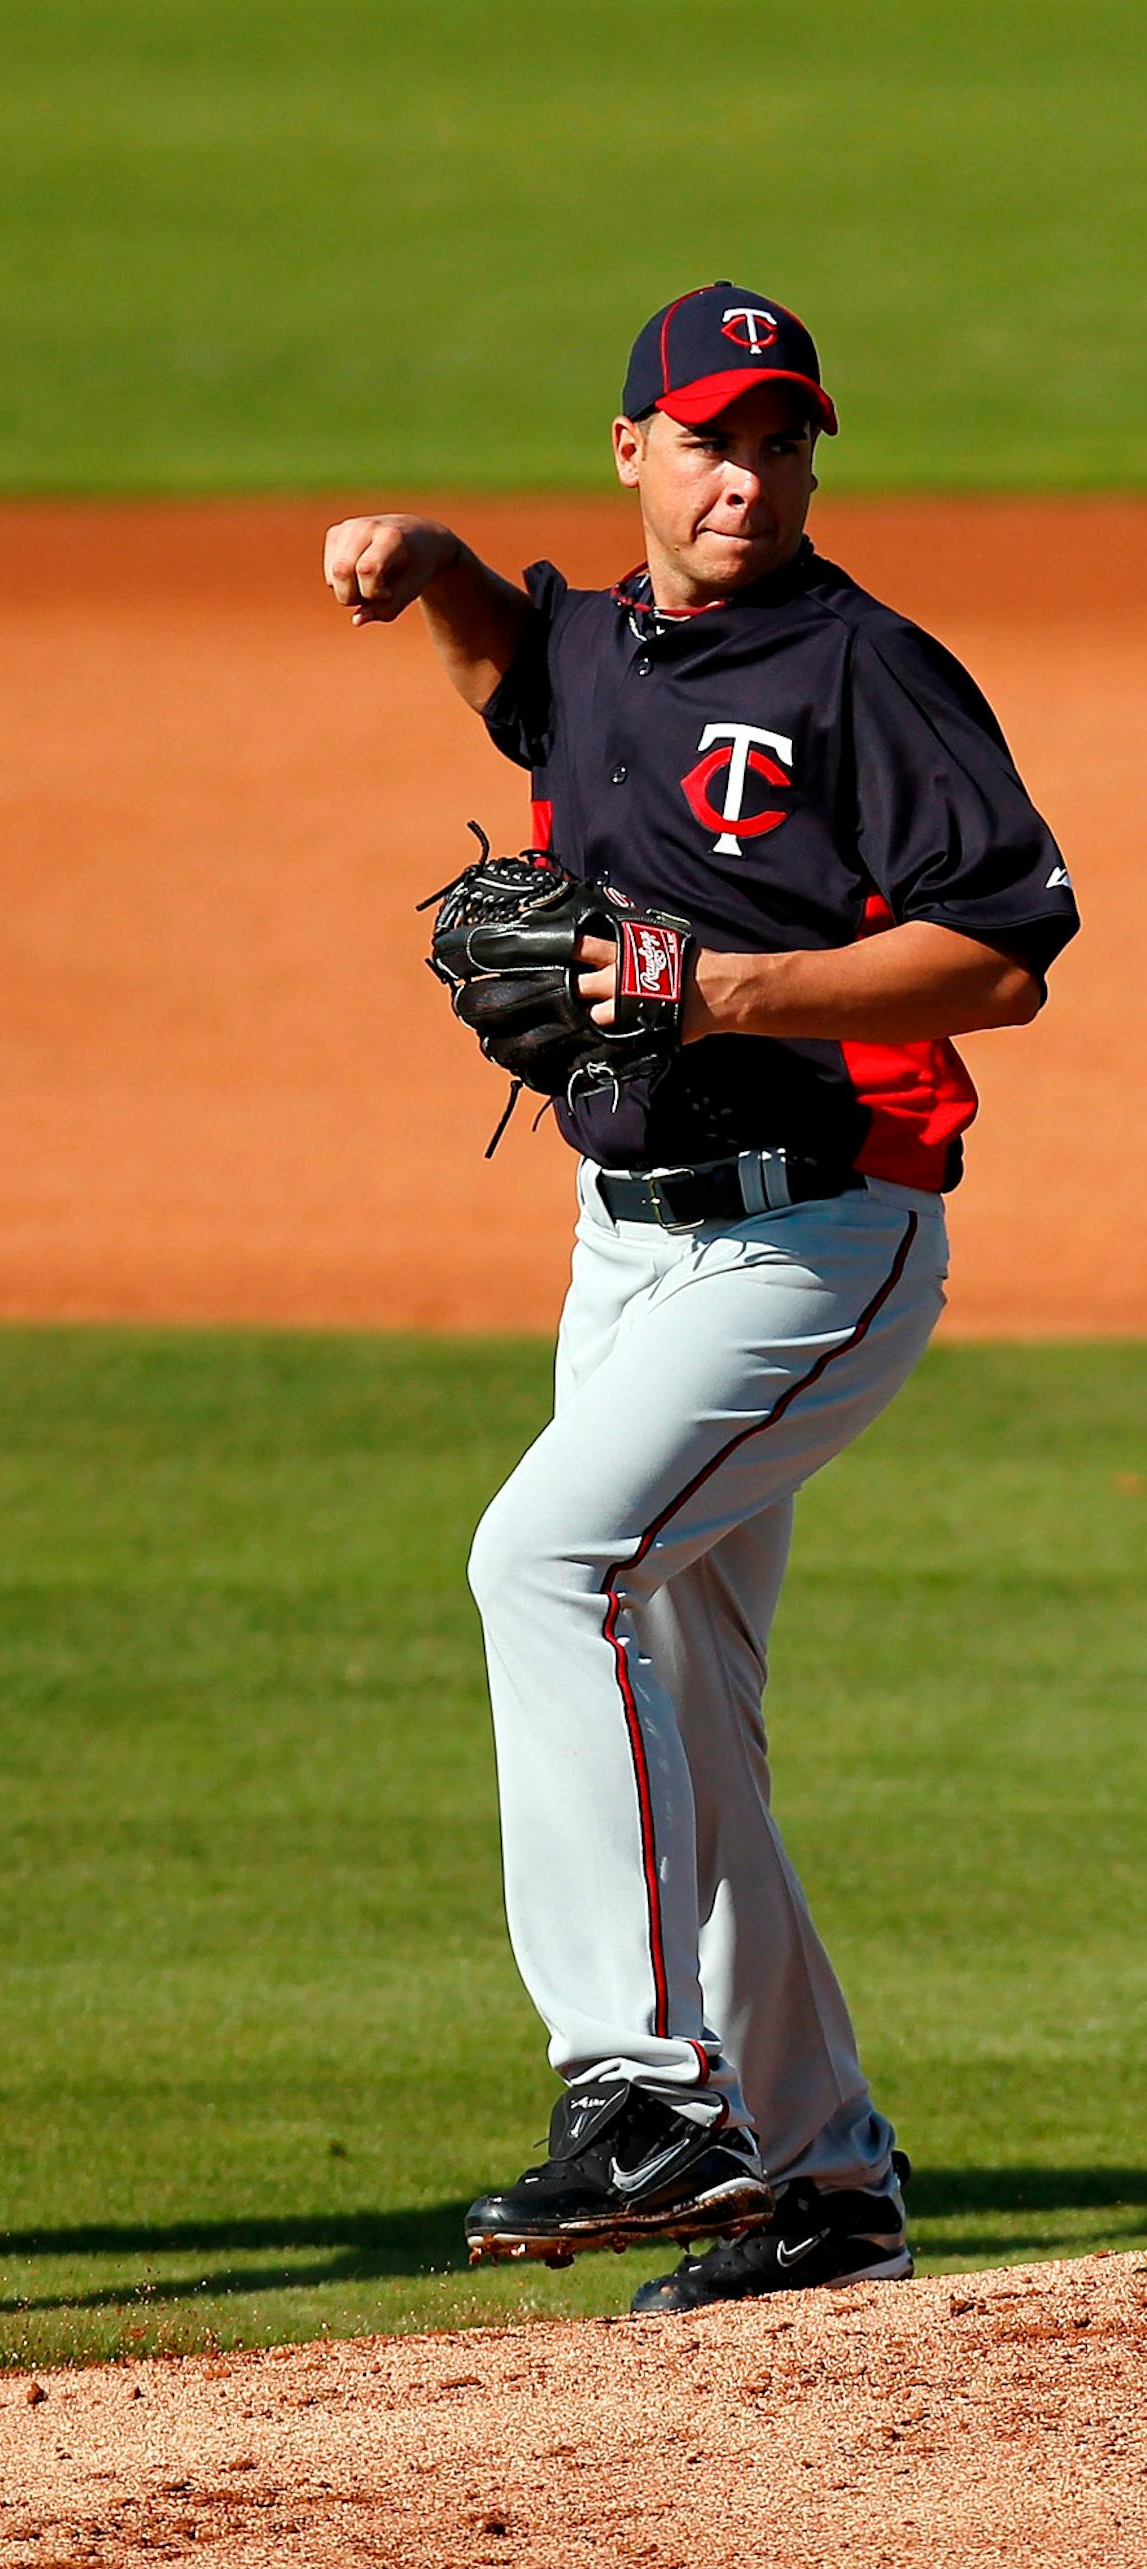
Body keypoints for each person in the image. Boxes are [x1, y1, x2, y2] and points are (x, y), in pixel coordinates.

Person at [324, 283, 1076, 2311]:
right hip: (628, 1239)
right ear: (635, 450)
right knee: (682, 1717)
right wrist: (429, 564)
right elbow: (517, 657)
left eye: (787, 441)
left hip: (821, 1234)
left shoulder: (865, 672)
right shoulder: (593, 649)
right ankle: (829, 2185)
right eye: (715, 437)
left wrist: (714, 984)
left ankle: (648, 2090)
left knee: (542, 1556)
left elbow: (1007, 948)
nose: (752, 474)